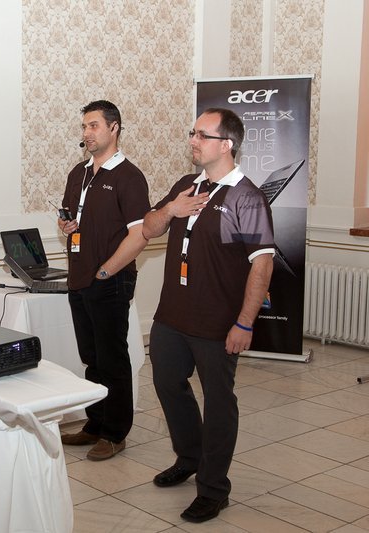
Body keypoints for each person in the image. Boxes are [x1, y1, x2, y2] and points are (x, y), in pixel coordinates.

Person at [142, 108, 274, 523]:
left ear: (226, 144)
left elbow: (262, 264)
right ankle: (189, 457)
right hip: (171, 316)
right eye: (192, 133)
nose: (193, 141)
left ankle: (214, 489)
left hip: (217, 323)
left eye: (202, 135)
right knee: (167, 383)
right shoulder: (187, 185)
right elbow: (148, 228)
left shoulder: (246, 197)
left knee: (218, 401)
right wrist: (171, 210)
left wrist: (245, 322)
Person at [58, 100, 150, 461]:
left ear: (114, 128)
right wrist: (67, 225)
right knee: (92, 358)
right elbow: (73, 221)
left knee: (113, 360)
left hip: (110, 279)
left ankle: (114, 433)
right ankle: (95, 424)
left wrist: (105, 271)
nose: (87, 133)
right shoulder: (78, 173)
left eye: (94, 126)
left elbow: (139, 235)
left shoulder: (129, 176)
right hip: (80, 277)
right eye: (84, 127)